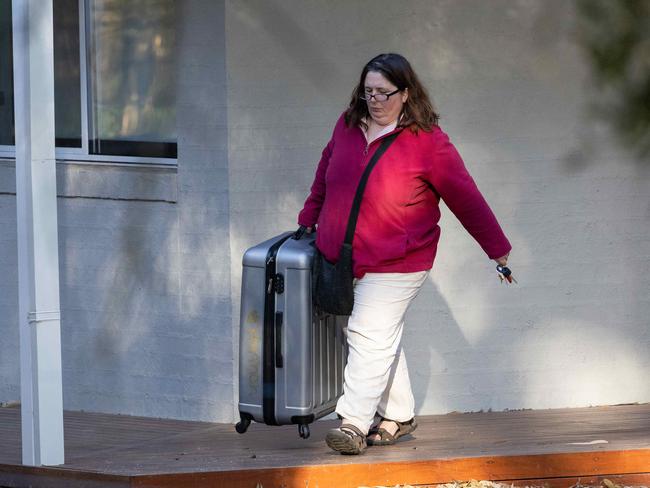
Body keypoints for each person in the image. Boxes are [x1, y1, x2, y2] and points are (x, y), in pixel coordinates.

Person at [296, 53, 512, 455]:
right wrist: (309, 218)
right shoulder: (346, 126)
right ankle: (399, 414)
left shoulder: (427, 142)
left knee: (367, 332)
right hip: (343, 258)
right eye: (368, 92)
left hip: (400, 260)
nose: (374, 100)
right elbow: (325, 174)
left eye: (383, 93)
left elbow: (467, 198)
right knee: (374, 336)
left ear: (406, 93)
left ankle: (353, 424)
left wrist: (497, 251)